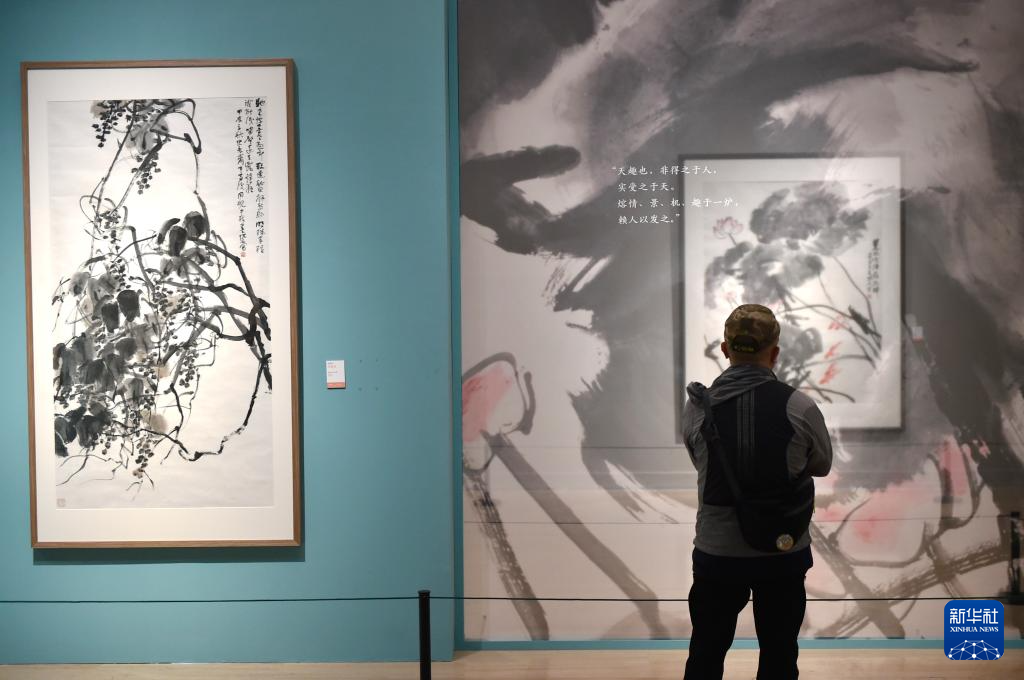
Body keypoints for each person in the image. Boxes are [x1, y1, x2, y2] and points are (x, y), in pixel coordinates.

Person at [681, 304, 833, 680]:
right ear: (775, 352)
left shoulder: (698, 407)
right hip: (782, 550)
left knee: (705, 654)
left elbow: (699, 461)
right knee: (779, 656)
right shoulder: (800, 406)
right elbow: (821, 464)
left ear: (725, 349)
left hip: (718, 552)